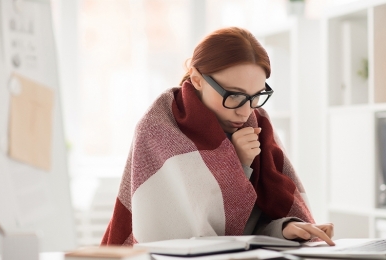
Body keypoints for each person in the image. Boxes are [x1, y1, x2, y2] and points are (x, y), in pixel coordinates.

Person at [101, 27, 334, 246]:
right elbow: (191, 235)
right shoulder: (159, 129)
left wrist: (286, 228)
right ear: (197, 78)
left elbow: (248, 229)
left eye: (256, 96)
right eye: (233, 95)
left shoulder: (258, 124)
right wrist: (238, 163)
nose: (245, 111)